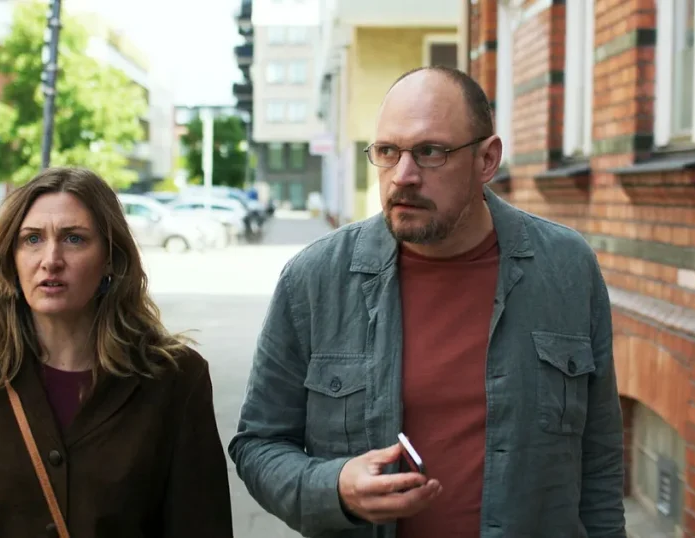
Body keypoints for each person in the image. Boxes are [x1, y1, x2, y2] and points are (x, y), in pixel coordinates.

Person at [228, 66, 626, 538]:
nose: (403, 176)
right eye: (387, 152)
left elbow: (599, 461)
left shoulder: (566, 268)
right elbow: (259, 444)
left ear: (487, 159)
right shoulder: (314, 280)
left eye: (430, 152)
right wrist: (334, 487)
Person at [0, 167, 234, 537]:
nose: (51, 259)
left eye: (74, 239)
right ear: (12, 257)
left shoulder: (174, 379)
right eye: (32, 239)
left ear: (110, 257)